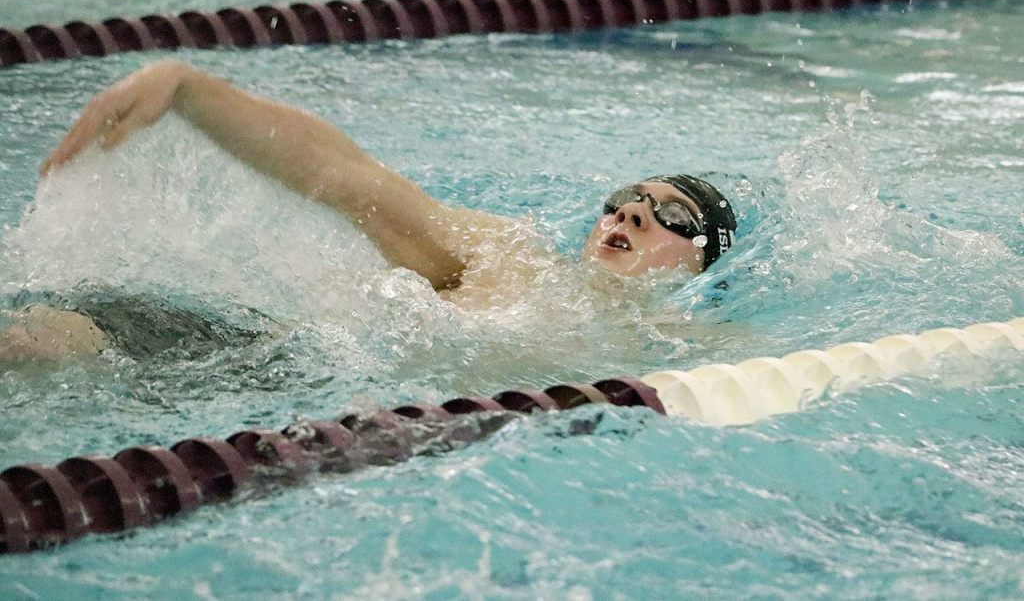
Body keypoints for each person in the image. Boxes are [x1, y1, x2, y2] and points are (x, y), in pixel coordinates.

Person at [1, 60, 737, 361]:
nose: (633, 217)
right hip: (264, 360)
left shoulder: (685, 345)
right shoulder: (504, 254)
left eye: (672, 217)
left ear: (706, 263)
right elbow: (346, 176)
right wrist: (188, 89)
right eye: (625, 202)